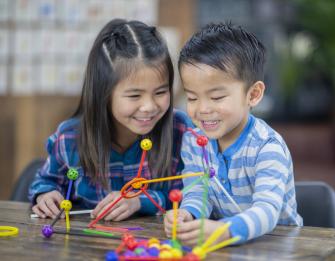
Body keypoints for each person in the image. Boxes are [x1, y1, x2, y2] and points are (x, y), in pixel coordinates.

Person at [29, 18, 191, 221]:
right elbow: (46, 180)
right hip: (85, 245)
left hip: (155, 247)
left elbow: (193, 195)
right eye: (134, 96)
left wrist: (140, 201)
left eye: (160, 92)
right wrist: (45, 194)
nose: (149, 106)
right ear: (103, 94)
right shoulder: (70, 137)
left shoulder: (181, 130)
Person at [164, 22, 303, 245]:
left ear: (253, 94)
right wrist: (188, 214)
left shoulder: (267, 146)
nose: (202, 109)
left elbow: (267, 211)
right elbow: (200, 191)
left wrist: (225, 230)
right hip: (225, 247)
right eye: (191, 97)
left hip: (280, 246)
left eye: (217, 97)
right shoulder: (193, 140)